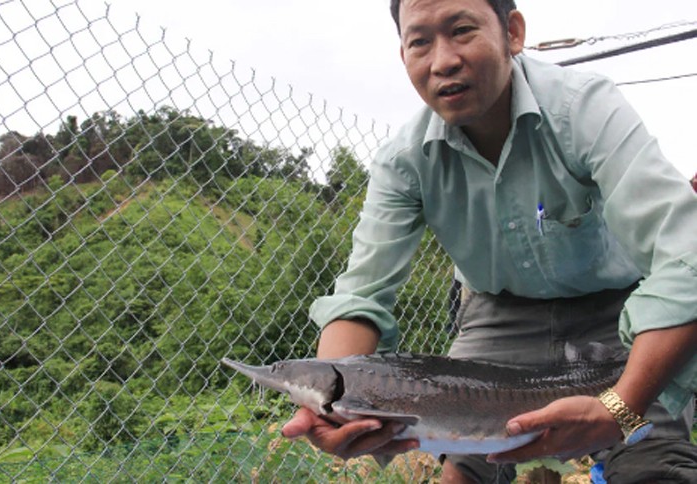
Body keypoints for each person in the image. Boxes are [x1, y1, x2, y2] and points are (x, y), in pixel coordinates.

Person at [282, 0, 697, 482]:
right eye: (420, 42)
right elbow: (361, 295)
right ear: (403, 56)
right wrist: (335, 405)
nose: (442, 61)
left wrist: (621, 407)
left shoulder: (584, 108)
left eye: (462, 30)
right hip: (499, 312)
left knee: (652, 463)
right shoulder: (403, 162)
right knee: (465, 473)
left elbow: (685, 254)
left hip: (619, 310)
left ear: (513, 33)